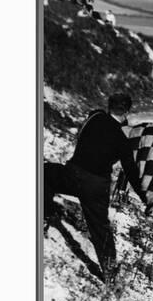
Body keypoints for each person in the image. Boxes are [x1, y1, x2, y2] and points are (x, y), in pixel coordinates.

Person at [44, 93, 145, 281]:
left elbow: (96, 116)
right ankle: (110, 273)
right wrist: (145, 197)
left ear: (109, 106)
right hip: (97, 185)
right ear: (127, 112)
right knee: (100, 229)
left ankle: (45, 216)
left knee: (44, 173)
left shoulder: (94, 118)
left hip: (73, 175)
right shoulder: (122, 138)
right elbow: (130, 170)